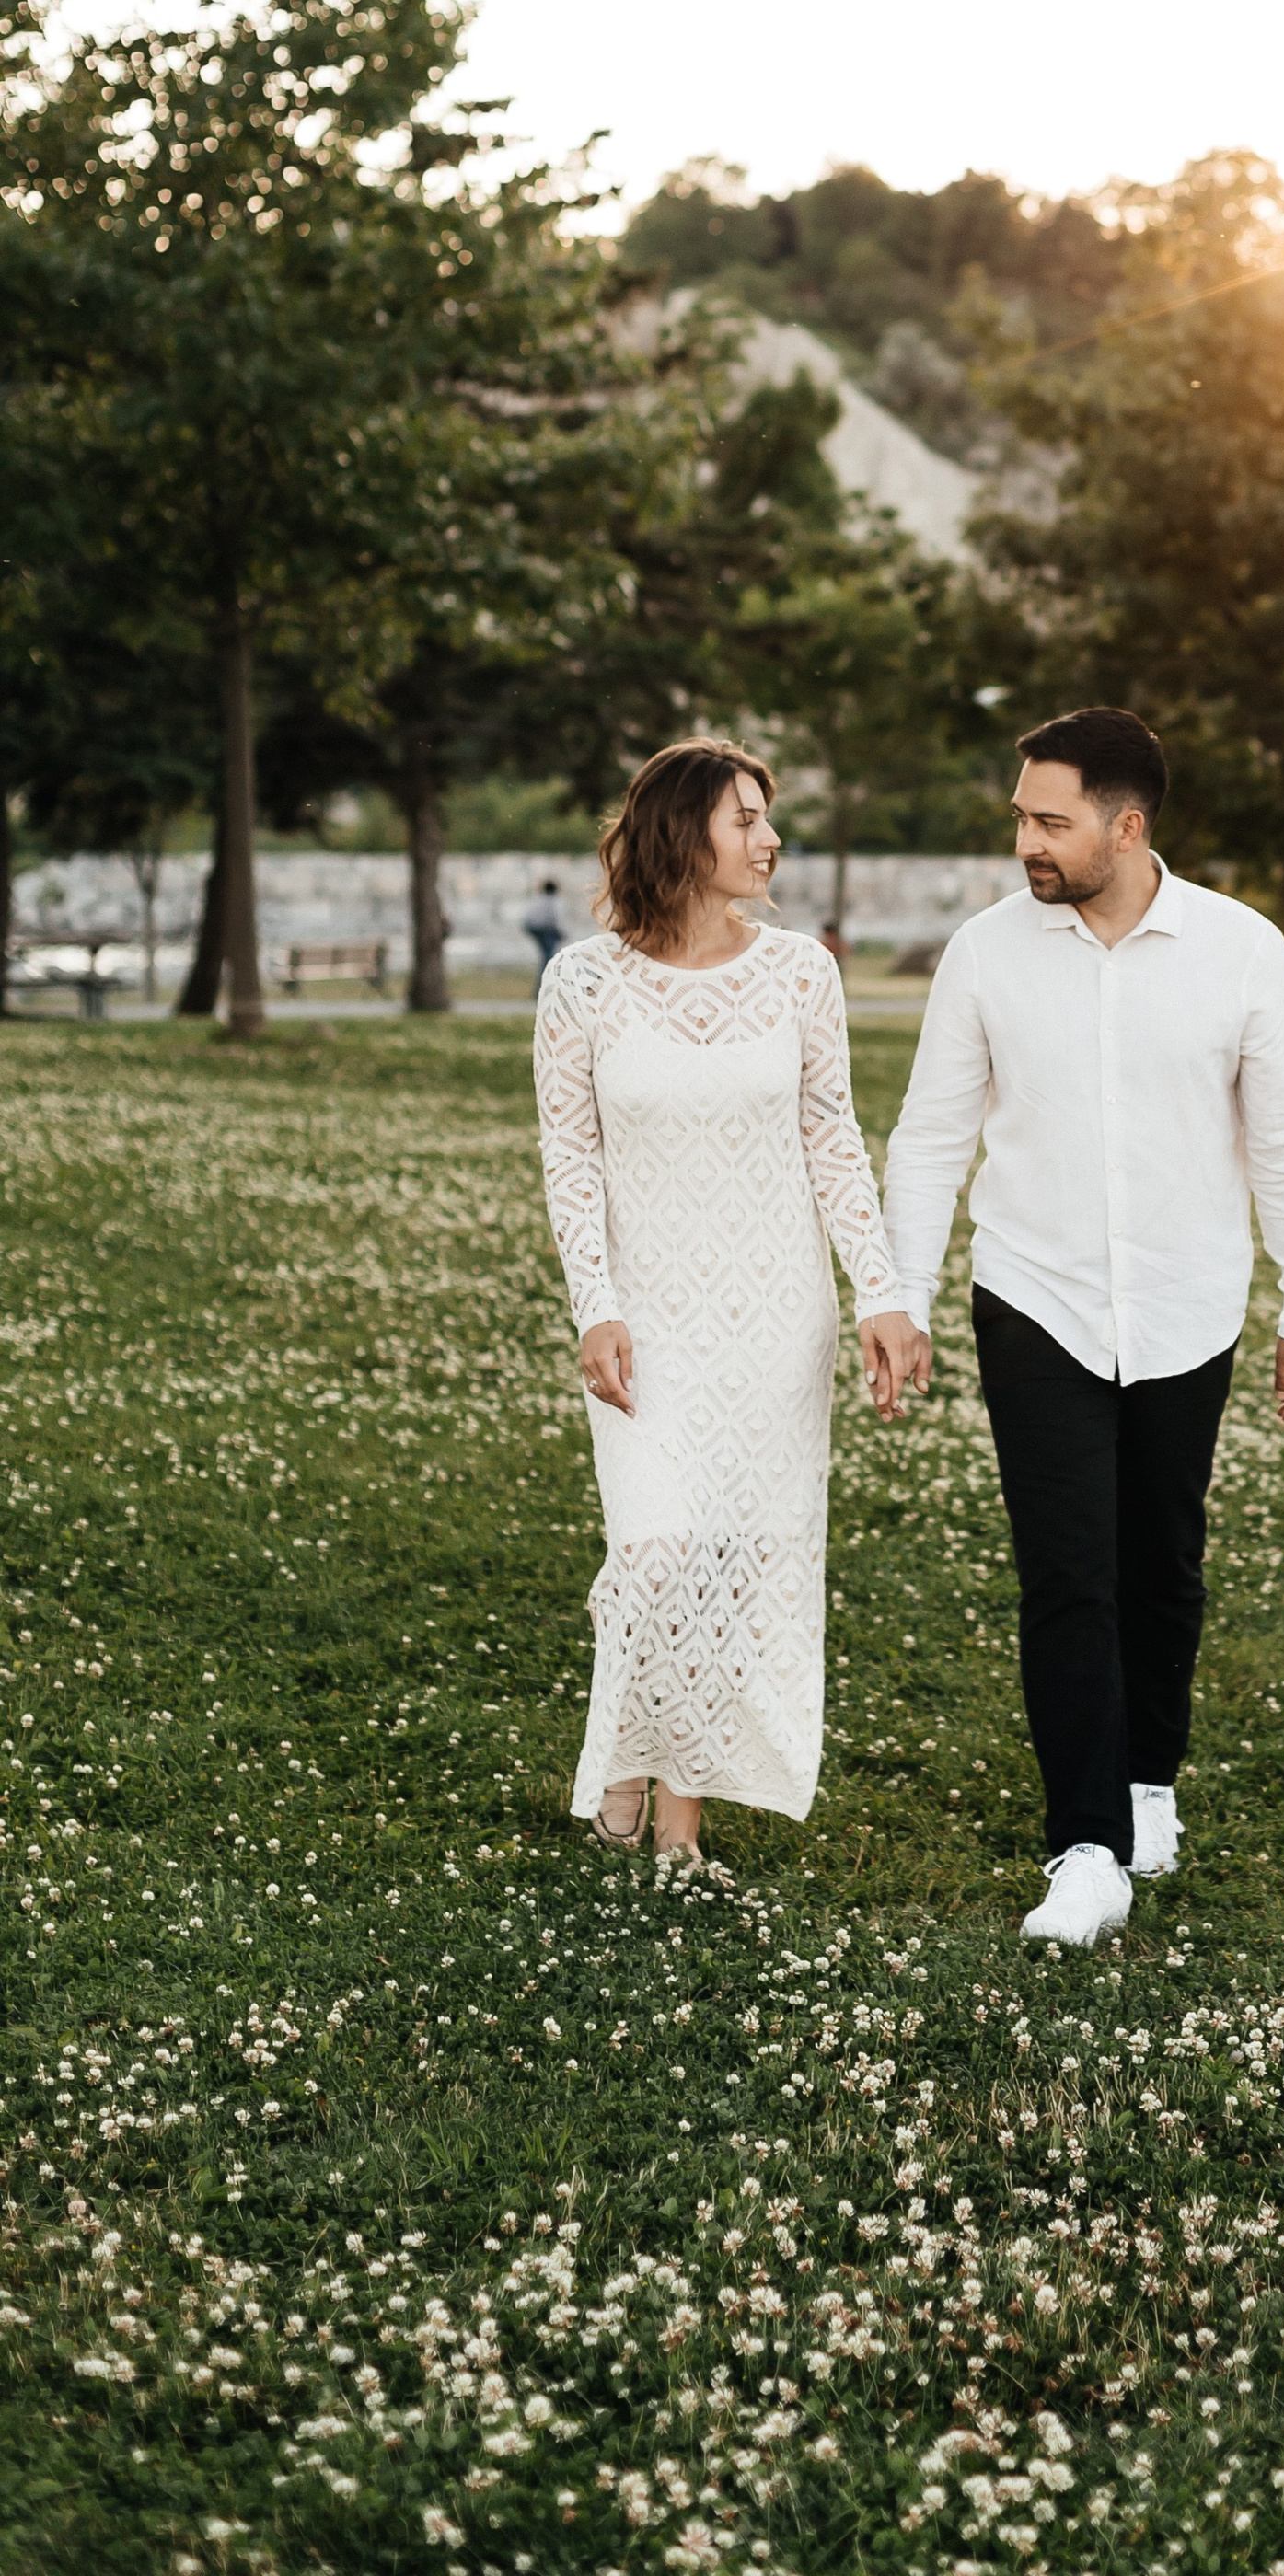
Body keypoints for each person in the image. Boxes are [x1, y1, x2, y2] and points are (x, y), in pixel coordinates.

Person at [884, 705, 1284, 1948]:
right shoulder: (986, 954)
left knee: (1162, 1559)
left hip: (1191, 1304)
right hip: (1035, 1297)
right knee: (1068, 1572)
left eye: (1050, 819)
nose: (1025, 839)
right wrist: (899, 1293)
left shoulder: (1242, 951)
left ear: (1127, 826)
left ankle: (1147, 1786)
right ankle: (1085, 1850)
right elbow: (930, 1136)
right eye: (1021, 815)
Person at [532, 739, 924, 1870]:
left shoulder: (802, 972)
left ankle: (677, 1826)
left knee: (735, 1565)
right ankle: (624, 1762)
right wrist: (593, 1305)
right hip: (647, 1319)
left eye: (770, 818)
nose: (769, 838)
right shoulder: (583, 982)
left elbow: (832, 1143)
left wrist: (880, 1296)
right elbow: (573, 1159)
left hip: (772, 1319)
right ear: (681, 832)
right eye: (746, 818)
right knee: (654, 1549)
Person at [523, 876, 567, 991]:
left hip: (535, 929)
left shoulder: (538, 899)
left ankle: (542, 987)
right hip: (546, 931)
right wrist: (562, 934)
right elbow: (557, 920)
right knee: (548, 959)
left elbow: (528, 918)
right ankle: (545, 987)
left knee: (546, 958)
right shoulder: (554, 901)